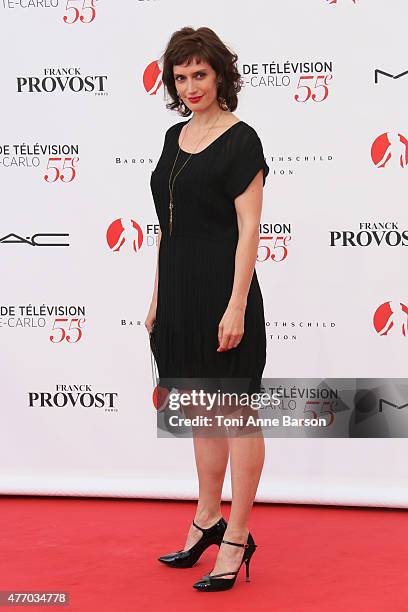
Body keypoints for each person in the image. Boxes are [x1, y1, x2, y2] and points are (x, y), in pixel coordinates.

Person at [145, 26, 269, 592]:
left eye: (200, 74)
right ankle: (206, 519)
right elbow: (168, 229)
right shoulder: (174, 136)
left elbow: (250, 229)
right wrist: (156, 297)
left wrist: (237, 303)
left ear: (220, 75)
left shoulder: (242, 140)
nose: (190, 85)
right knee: (201, 410)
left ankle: (237, 536)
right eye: (181, 76)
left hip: (223, 289)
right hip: (179, 292)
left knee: (237, 416)